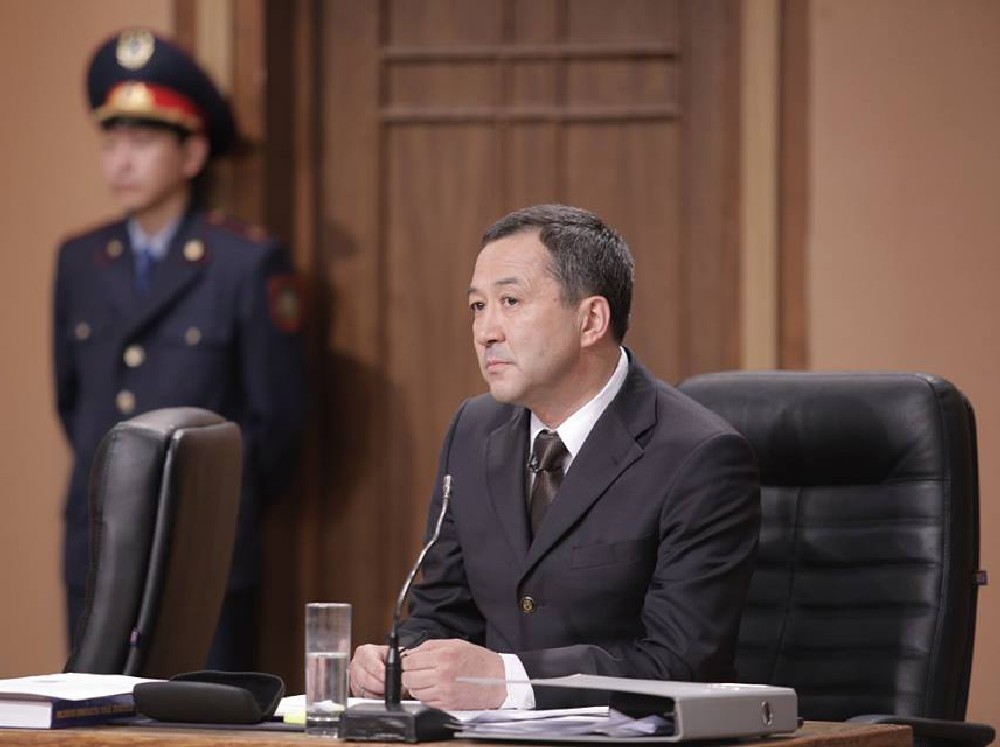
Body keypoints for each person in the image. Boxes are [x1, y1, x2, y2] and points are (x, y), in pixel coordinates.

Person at [349, 204, 760, 710]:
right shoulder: (473, 430)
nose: (485, 331)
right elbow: (445, 609)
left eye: (511, 301)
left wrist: (508, 680)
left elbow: (681, 663)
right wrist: (401, 661)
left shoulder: (698, 456)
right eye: (477, 306)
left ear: (591, 320)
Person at [52, 28, 307, 670]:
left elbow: (277, 420)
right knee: (88, 714)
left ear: (192, 154)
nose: (121, 162)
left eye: (141, 143)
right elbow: (72, 401)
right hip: (96, 542)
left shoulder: (244, 263)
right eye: (111, 143)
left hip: (201, 546)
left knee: (197, 714)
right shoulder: (80, 260)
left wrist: (216, 503)